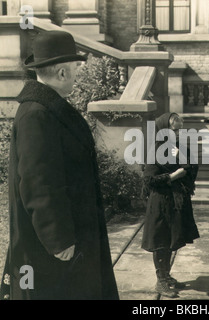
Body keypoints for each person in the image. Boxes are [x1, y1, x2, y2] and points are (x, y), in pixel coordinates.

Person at [0, 30, 119, 300]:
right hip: (53, 246)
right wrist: (58, 239)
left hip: (72, 233)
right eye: (76, 68)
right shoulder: (37, 114)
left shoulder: (46, 108)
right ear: (62, 73)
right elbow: (37, 181)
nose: (78, 74)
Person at [141, 112, 200, 298]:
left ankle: (166, 276)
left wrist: (188, 167)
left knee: (169, 239)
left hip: (174, 200)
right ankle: (161, 281)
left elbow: (189, 165)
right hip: (161, 201)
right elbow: (149, 179)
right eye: (174, 130)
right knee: (161, 240)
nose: (177, 133)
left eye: (179, 130)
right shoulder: (156, 149)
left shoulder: (176, 147)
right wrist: (174, 176)